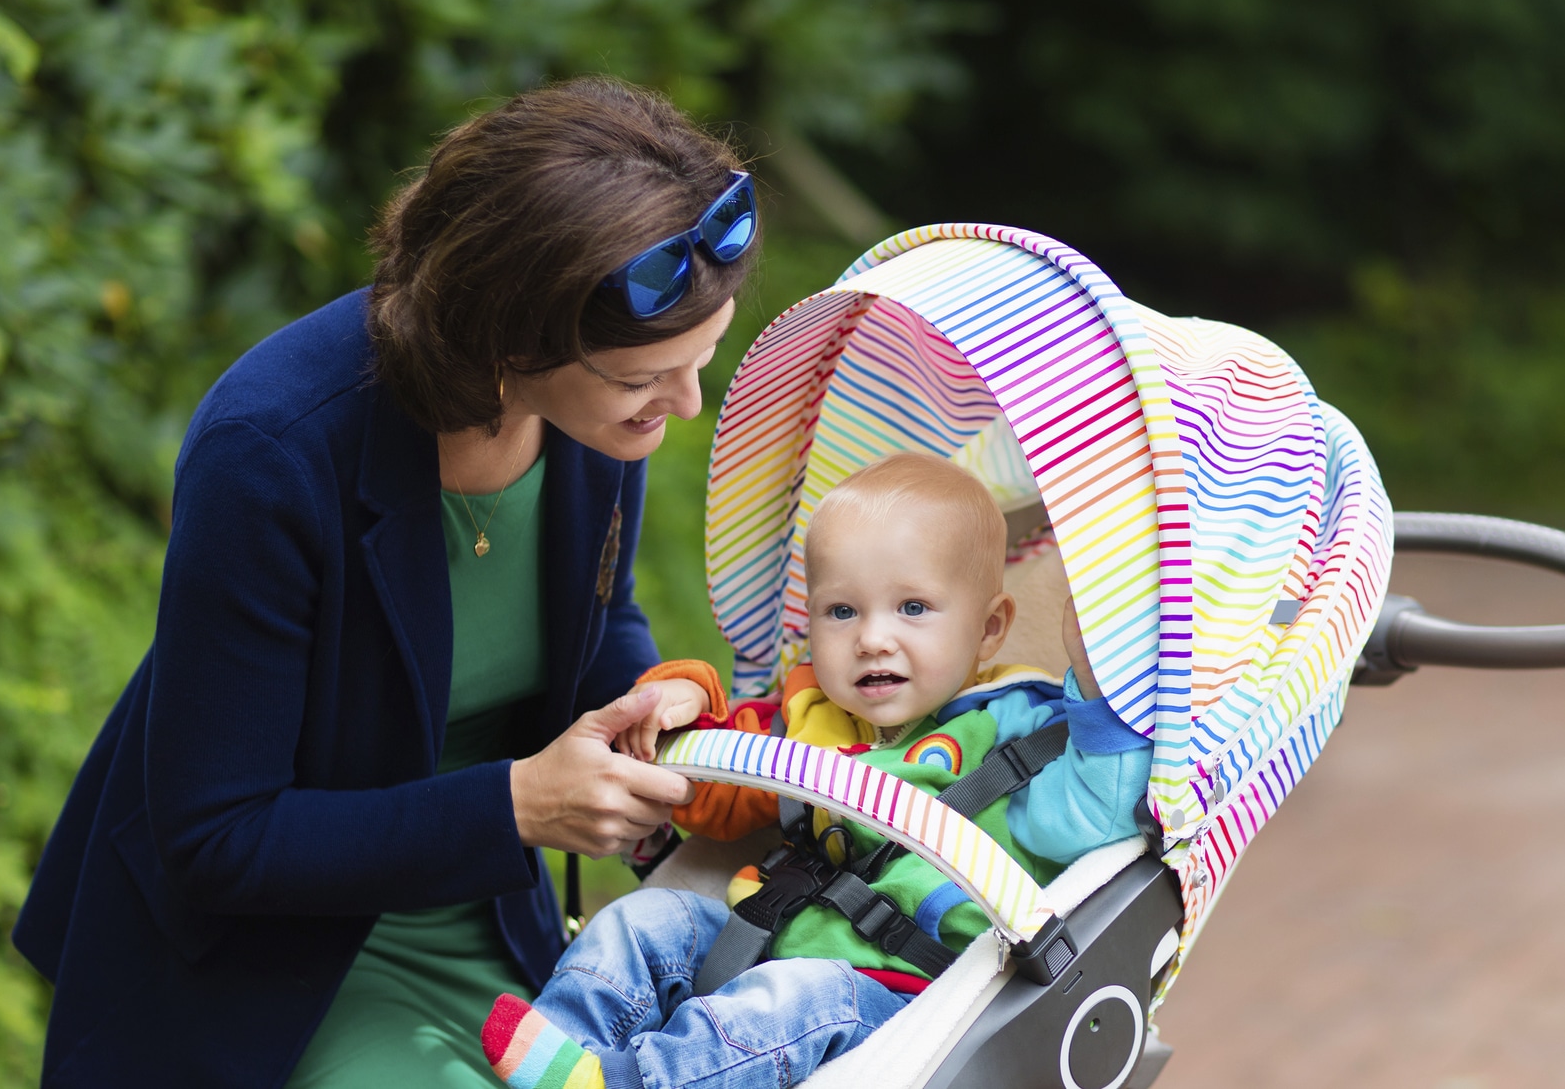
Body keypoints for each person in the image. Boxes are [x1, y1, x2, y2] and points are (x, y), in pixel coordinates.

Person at [11, 77, 759, 1088]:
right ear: (512, 336)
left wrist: (649, 708)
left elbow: (595, 613)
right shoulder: (268, 452)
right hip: (268, 975)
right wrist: (516, 809)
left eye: (698, 362)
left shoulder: (591, 412)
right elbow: (217, 839)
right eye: (644, 379)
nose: (684, 404)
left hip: (486, 922)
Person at [479, 453, 1153, 1089]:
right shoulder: (808, 715)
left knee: (789, 996)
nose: (872, 637)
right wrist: (678, 699)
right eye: (841, 611)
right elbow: (701, 794)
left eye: (912, 607)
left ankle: (626, 1082)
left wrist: (1098, 695)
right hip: (758, 940)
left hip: (891, 997)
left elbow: (1093, 815)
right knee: (646, 919)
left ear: (988, 629)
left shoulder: (1017, 729)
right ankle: (569, 1045)